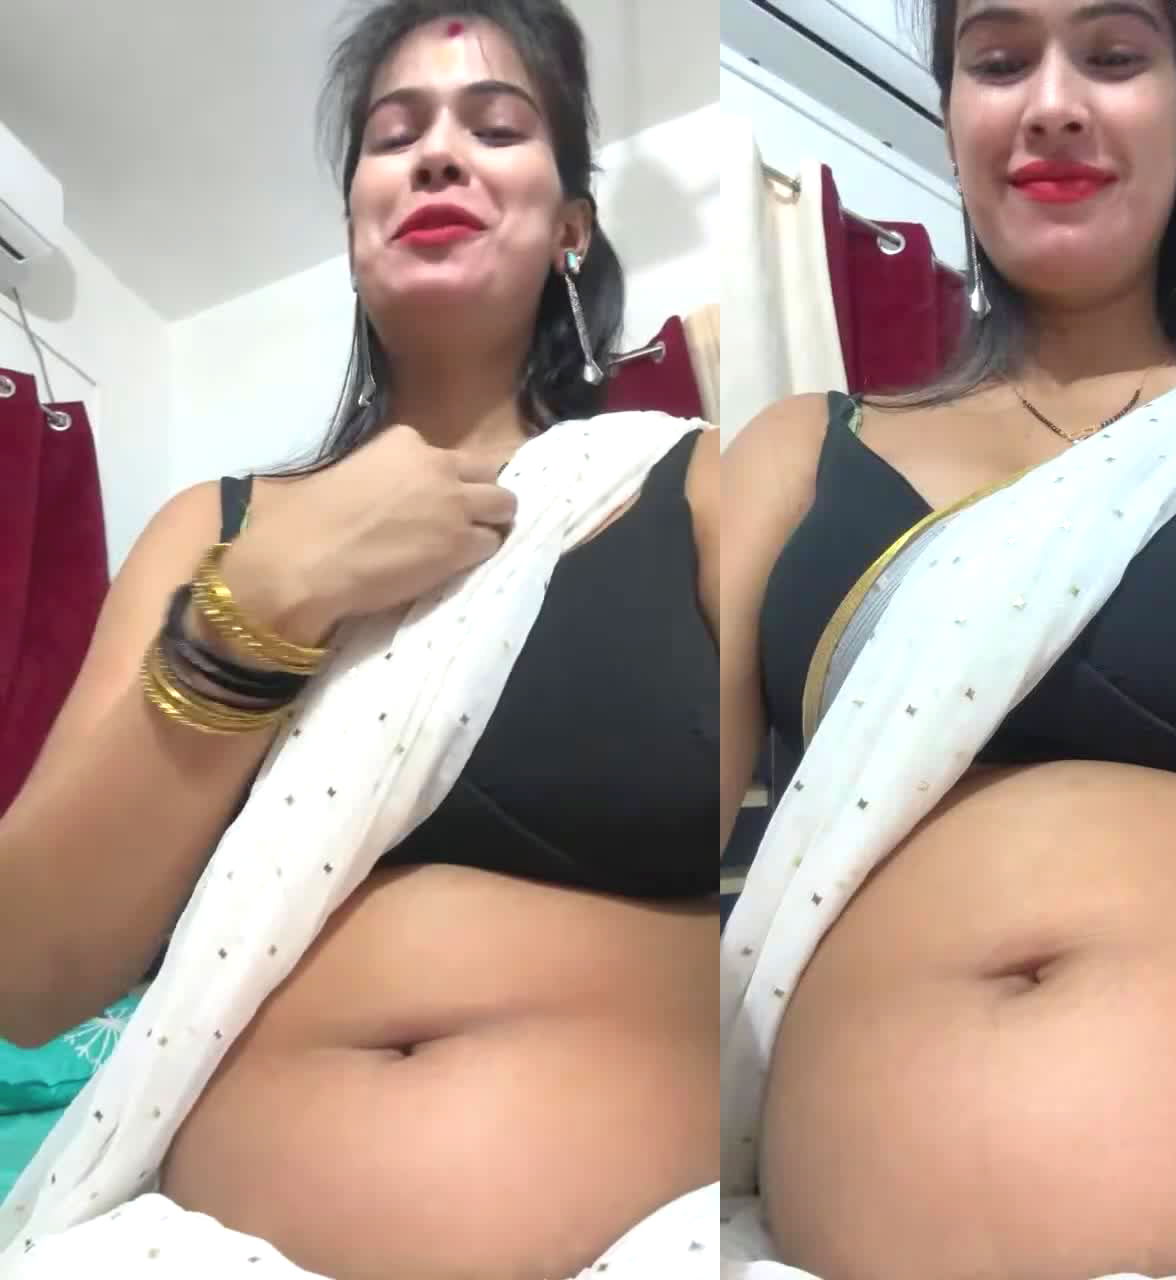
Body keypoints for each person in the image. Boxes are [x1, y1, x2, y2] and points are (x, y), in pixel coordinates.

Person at [720, 1, 1176, 1277]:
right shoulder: (797, 453)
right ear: (952, 118)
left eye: (1112, 56)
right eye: (999, 62)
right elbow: (629, 835)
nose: (1052, 104)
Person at [0, 3, 718, 1277]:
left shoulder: (696, 485)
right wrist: (267, 602)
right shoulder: (214, 532)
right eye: (395, 137)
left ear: (573, 225)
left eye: (496, 127)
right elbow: (28, 969)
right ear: (352, 227)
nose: (438, 154)